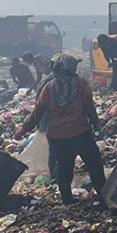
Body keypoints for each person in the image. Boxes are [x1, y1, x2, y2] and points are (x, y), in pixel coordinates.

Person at [16, 54, 106, 205]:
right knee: (94, 163)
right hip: (79, 132)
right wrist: (96, 124)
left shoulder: (49, 87)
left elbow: (38, 111)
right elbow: (89, 108)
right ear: (71, 67)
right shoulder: (81, 84)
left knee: (63, 166)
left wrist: (24, 128)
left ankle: (66, 198)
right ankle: (103, 194)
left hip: (57, 135)